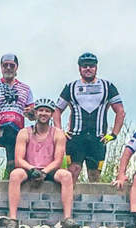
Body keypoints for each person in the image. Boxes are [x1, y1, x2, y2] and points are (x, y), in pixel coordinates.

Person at [5, 98, 75, 228]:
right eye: (41, 110)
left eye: (47, 111)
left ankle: (67, 218)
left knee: (66, 175)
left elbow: (58, 160)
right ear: (35, 113)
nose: (44, 113)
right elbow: (19, 159)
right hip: (29, 167)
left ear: (51, 114)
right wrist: (32, 169)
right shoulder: (25, 132)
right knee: (15, 174)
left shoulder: (58, 133)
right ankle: (12, 219)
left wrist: (44, 172)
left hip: (50, 169)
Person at [56, 52, 124, 182]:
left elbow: (120, 111)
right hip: (75, 138)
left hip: (98, 138)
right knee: (73, 173)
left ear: (96, 68)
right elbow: (57, 110)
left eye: (91, 66)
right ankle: (70, 201)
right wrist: (59, 131)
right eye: (85, 66)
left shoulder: (107, 86)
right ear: (79, 68)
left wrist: (113, 134)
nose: (88, 68)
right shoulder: (70, 87)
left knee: (94, 176)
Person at [0, 53, 33, 180]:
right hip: (0, 127)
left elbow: (32, 113)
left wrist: (30, 112)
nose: (8, 68)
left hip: (18, 129)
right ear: (1, 67)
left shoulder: (25, 88)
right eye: (5, 65)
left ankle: (29, 171)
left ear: (16, 67)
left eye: (11, 65)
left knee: (14, 165)